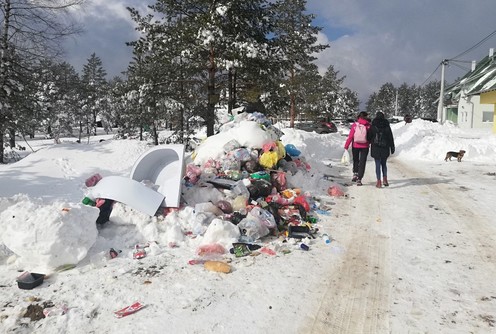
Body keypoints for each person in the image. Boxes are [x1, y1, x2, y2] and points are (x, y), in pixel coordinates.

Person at [344, 111, 371, 186]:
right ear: (366, 117)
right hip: (365, 146)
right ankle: (359, 179)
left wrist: (346, 146)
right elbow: (371, 136)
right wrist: (369, 143)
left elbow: (350, 136)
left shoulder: (355, 125)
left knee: (356, 160)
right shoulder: (368, 125)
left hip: (355, 145)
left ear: (359, 117)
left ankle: (355, 174)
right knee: (362, 162)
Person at [369, 111, 395, 188]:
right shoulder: (387, 126)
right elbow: (390, 137)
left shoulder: (373, 126)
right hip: (385, 147)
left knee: (377, 164)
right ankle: (385, 179)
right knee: (384, 164)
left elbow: (369, 137)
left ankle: (378, 181)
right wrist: (392, 147)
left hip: (376, 147)